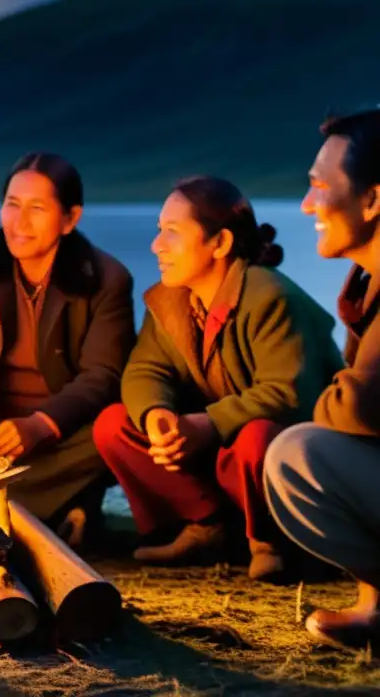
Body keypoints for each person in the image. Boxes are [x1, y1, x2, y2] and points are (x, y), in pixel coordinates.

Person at [94, 176, 342, 581]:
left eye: (172, 233)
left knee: (258, 437)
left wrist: (208, 423)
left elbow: (291, 391)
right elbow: (145, 369)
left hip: (275, 467)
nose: (157, 245)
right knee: (115, 425)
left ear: (221, 243)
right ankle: (206, 526)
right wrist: (158, 414)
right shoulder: (172, 300)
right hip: (218, 466)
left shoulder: (270, 298)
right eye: (160, 231)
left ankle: (271, 540)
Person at [0, 152, 135, 544]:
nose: (19, 222)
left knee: (114, 426)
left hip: (61, 435)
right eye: (12, 205)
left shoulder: (106, 280)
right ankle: (52, 511)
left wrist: (40, 425)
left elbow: (102, 377)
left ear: (70, 219)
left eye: (37, 208)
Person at [265, 108, 380, 647]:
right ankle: (375, 604)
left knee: (297, 454)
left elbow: (363, 404)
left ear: (373, 199)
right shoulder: (367, 281)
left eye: (318, 187)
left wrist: (330, 398)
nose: (307, 205)